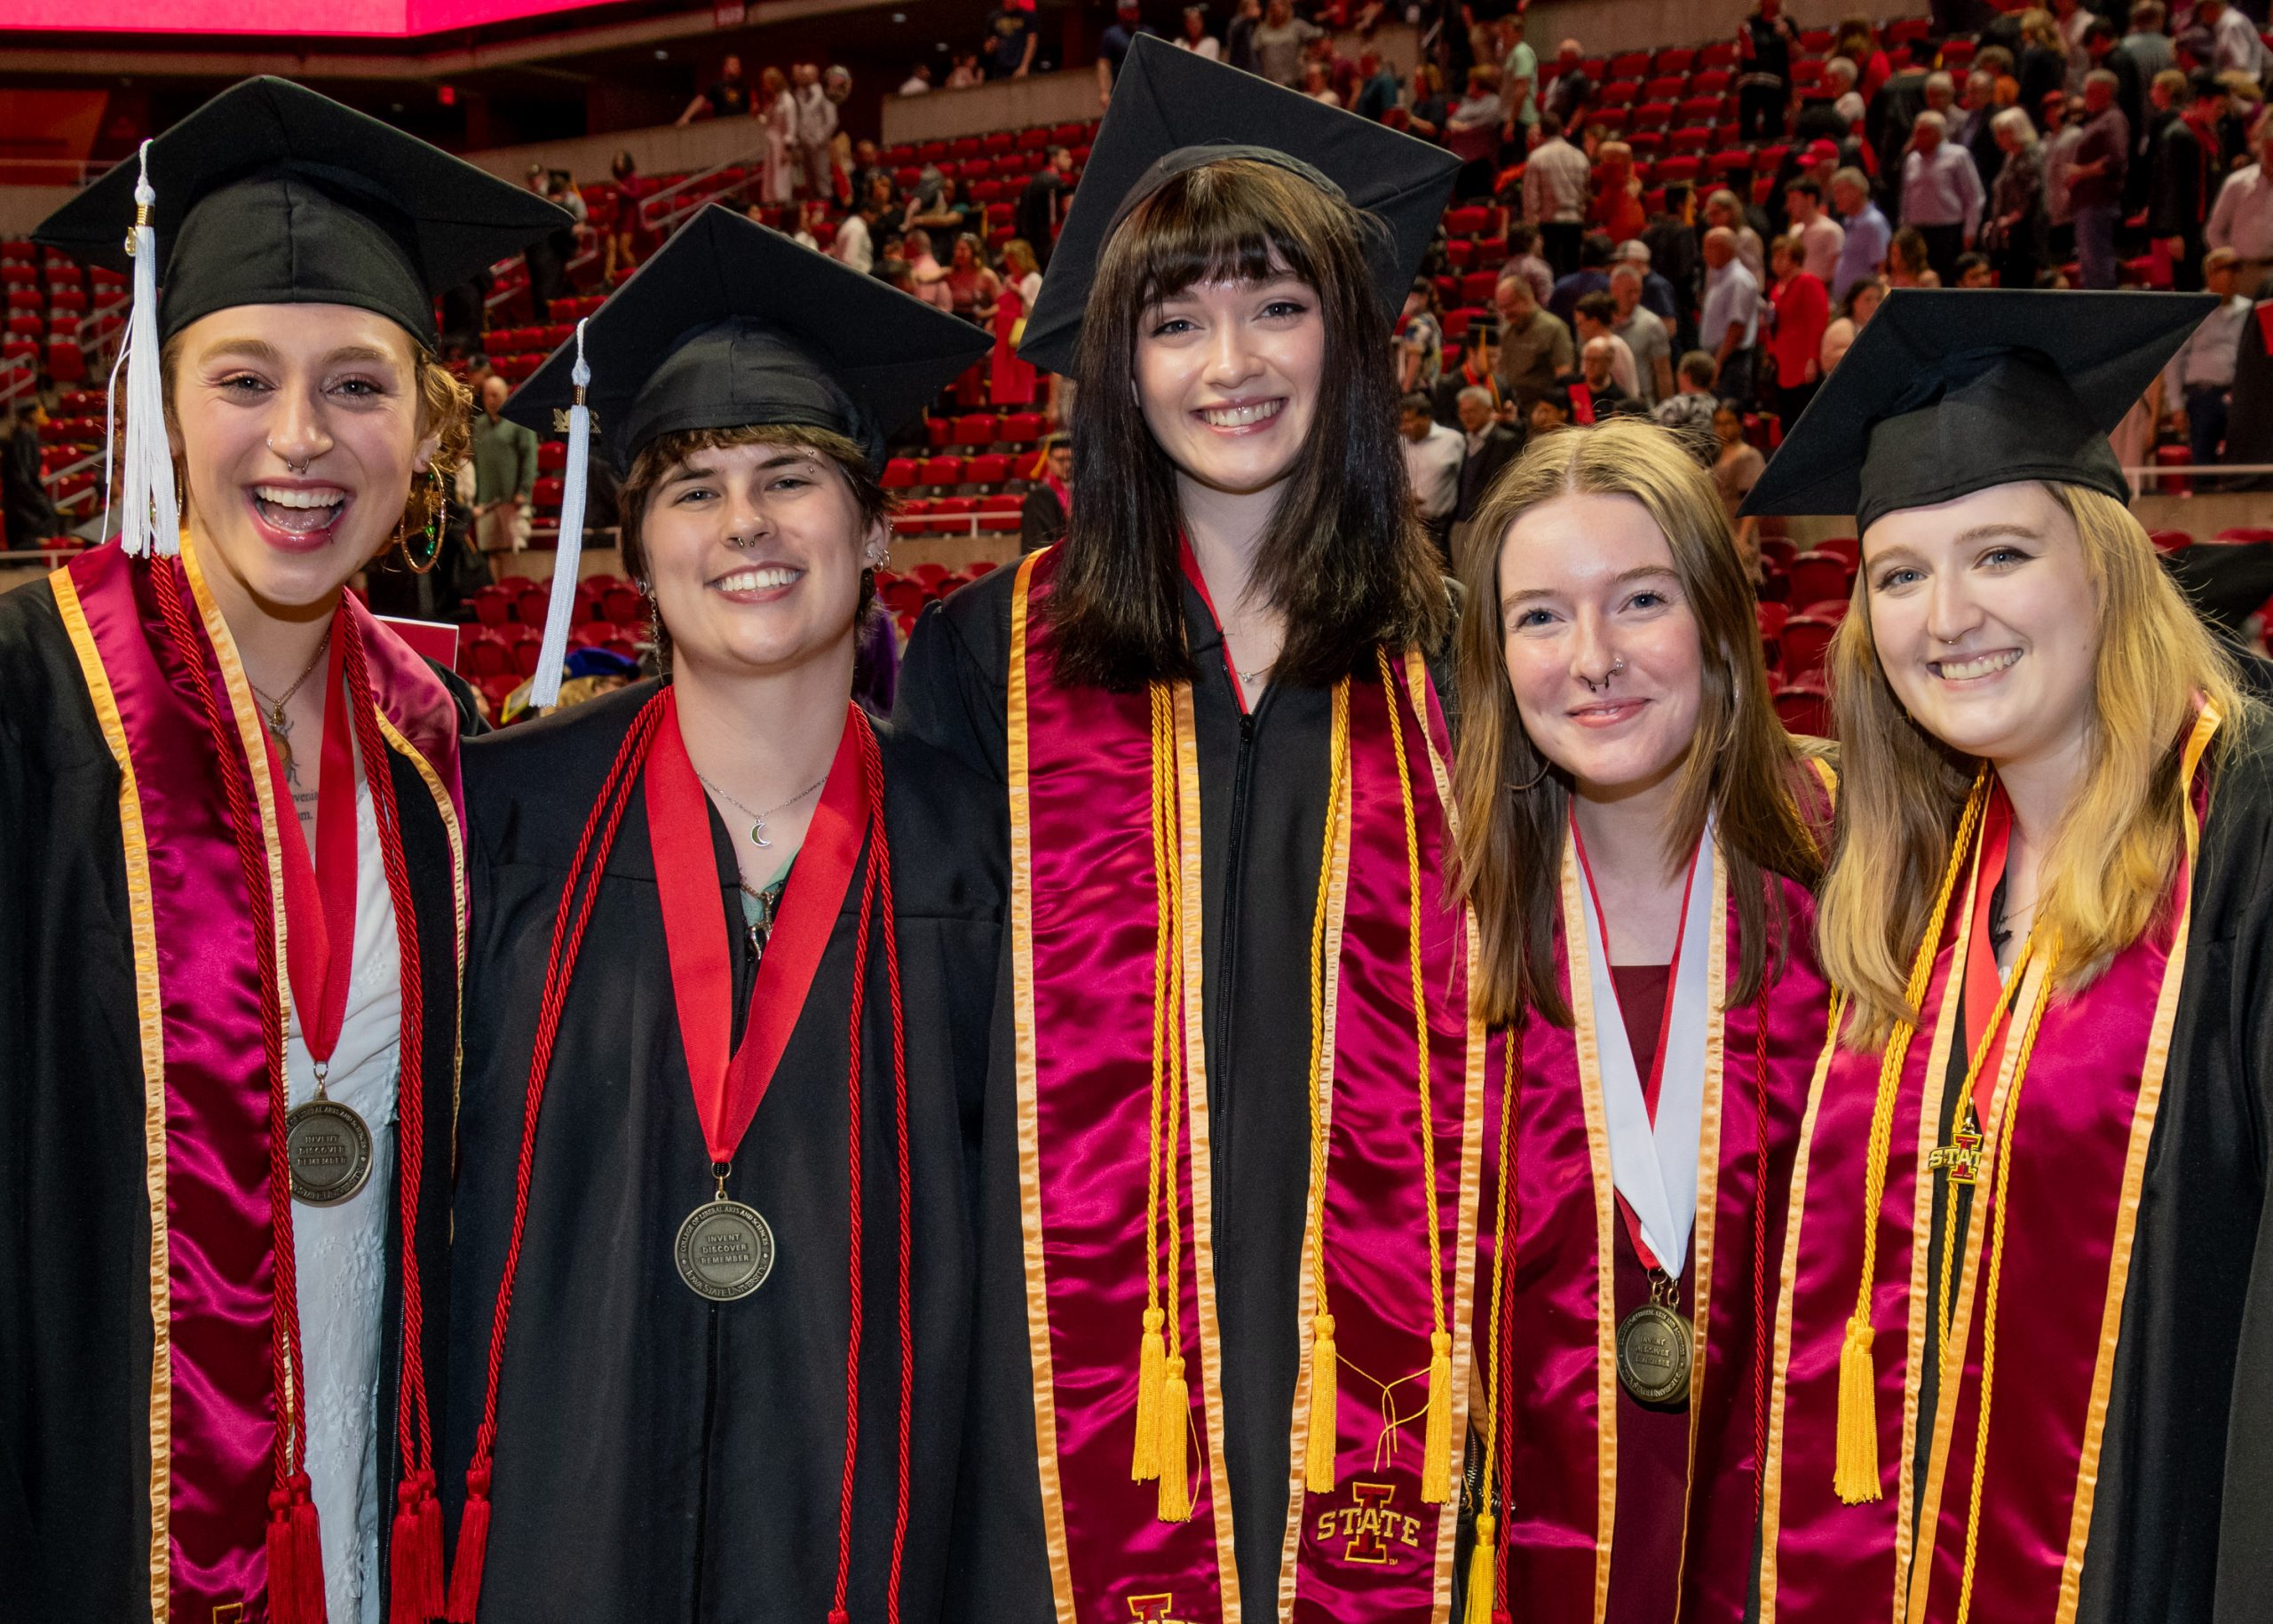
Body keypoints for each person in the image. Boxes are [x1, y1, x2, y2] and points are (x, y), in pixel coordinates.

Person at [896, 37, 1493, 1617]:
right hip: (1066, 1401)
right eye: (1177, 320)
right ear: (1121, 363)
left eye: (1278, 306)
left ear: (1352, 340)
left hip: (1386, 1369)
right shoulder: (991, 661)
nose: (1231, 360)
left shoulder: (1459, 658)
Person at [1, 77, 563, 1624]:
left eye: (360, 386)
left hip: (377, 1476)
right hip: (98, 1491)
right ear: (158, 404)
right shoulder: (33, 697)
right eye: (244, 378)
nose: (303, 440)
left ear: (427, 420)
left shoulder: (434, 734)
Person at [441, 206, 998, 1620]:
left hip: (871, 1531)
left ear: (873, 524)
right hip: (561, 1530)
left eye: (790, 477)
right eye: (692, 488)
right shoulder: (499, 819)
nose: (743, 522)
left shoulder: (980, 845)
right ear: (634, 550)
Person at [1744, 286, 2273, 1624]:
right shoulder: (1914, 878)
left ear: (2102, 559)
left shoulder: (2251, 833)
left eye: (2000, 554)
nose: (1947, 617)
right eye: (1900, 576)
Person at [1450, 417, 1832, 1623]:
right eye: (1541, 616)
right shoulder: (1428, 935)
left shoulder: (1866, 886)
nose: (1593, 657)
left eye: (1642, 599)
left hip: (1812, 1557)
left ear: (1721, 622)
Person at [2163, 248, 2253, 479]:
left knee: (2242, 458)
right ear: (2211, 275)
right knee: (2202, 461)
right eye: (2227, 270)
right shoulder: (2195, 310)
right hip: (2202, 396)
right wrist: (2176, 406)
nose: (2233, 277)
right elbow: (2175, 360)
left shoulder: (2248, 310)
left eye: (2236, 270)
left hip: (2238, 394)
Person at [1901, 111, 1984, 283]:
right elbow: (1906, 196)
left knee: (1946, 279)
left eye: (1923, 132)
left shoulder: (1958, 155)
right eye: (1916, 131)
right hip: (1917, 231)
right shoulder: (1912, 159)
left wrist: (1970, 229)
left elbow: (1974, 196)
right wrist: (1904, 227)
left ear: (1938, 133)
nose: (1917, 137)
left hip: (1948, 230)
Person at [471, 371, 539, 573]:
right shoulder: (478, 425)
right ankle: (498, 598)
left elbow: (530, 458)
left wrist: (524, 491)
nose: (491, 400)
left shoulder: (519, 422)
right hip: (486, 502)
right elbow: (473, 464)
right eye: (487, 395)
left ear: (506, 394)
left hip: (512, 501)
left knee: (514, 552)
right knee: (491, 552)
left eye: (495, 395)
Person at [2071, 67, 2130, 288]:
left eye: (2089, 92)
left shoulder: (2113, 119)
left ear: (2105, 91)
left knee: (2097, 263)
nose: (2085, 97)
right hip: (2088, 202)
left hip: (2099, 201)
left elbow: (2116, 159)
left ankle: (2103, 315)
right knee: (2089, 263)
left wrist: (2080, 172)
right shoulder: (2099, 119)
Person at [1763, 234, 1827, 425]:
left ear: (1795, 258)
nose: (1776, 262)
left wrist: (1812, 359)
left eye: (1782, 256)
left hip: (1801, 360)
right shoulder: (1777, 288)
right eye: (1774, 256)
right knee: (1786, 416)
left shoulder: (1808, 282)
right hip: (1783, 361)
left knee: (1802, 415)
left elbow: (1818, 321)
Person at [2206, 115, 2273, 294]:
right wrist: (2229, 262)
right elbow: (2214, 231)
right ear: (2263, 150)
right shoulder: (2237, 183)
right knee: (2243, 321)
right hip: (2243, 271)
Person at [1984, 107, 2047, 289]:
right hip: (2010, 234)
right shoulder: (2011, 157)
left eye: (2002, 133)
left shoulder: (2030, 157)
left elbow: (2030, 195)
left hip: (2025, 234)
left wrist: (2010, 219)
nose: (1998, 139)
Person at [1496, 270, 1578, 411]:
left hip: (1541, 413)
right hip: (1512, 412)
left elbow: (1564, 377)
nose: (1505, 313)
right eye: (1501, 307)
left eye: (1509, 305)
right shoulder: (1505, 330)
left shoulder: (1553, 328)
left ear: (1527, 299)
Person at [1526, 112, 1594, 275]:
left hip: (1550, 226)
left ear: (1542, 132)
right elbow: (1586, 194)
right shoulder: (1580, 157)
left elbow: (1531, 199)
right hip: (1575, 223)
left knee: (1554, 275)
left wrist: (1532, 231)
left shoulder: (1537, 157)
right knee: (1573, 274)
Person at [1700, 226, 1761, 406]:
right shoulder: (1721, 277)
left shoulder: (1738, 280)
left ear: (1725, 249)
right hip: (1720, 359)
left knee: (1727, 419)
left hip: (1731, 361)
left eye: (1709, 247)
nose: (1704, 254)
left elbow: (1736, 329)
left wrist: (1717, 363)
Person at [1453, 383, 1523, 521]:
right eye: (1462, 412)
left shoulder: (1507, 441)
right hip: (1461, 520)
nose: (1466, 417)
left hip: (1489, 521)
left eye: (1471, 411)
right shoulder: (1462, 440)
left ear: (1489, 410)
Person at [0, 393, 58, 551]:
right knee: (41, 519)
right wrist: (35, 497)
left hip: (18, 495)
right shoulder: (25, 436)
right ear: (30, 414)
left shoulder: (18, 435)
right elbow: (22, 472)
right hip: (23, 495)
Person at [1611, 264, 1675, 405]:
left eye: (1638, 292)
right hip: (1602, 405)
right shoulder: (1597, 320)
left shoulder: (1652, 324)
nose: (1634, 298)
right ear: (1613, 290)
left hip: (1640, 405)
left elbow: (1663, 373)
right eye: (1629, 292)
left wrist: (1667, 410)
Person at [1738, 0, 1801, 139]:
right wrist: (1740, 49)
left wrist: (1788, 36)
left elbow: (1799, 54)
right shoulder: (1750, 23)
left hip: (1776, 83)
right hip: (1750, 82)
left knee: (1773, 126)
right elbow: (1739, 53)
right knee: (1747, 127)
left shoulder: (1787, 22)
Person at [1829, 166, 1890, 304]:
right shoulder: (1849, 220)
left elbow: (1882, 269)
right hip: (1845, 302)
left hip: (1862, 306)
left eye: (1840, 192)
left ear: (1856, 191)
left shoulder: (1873, 223)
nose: (1836, 198)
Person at [1654, 351, 1723, 461]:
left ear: (1686, 374)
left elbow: (1655, 443)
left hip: (1677, 470)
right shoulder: (1720, 408)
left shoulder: (1672, 407)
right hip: (1713, 472)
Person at [1572, 291, 1641, 399]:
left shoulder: (1615, 346)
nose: (1579, 329)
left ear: (1594, 321)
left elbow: (1623, 388)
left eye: (1580, 323)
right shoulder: (1592, 346)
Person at [1785, 177, 1846, 287]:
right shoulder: (1795, 231)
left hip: (1821, 292)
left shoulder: (1831, 230)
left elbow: (1835, 271)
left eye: (1794, 199)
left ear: (1810, 199)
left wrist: (1810, 286)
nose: (1789, 206)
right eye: (1788, 200)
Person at [1818, 273, 1884, 374]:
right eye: (1868, 299)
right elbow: (1827, 361)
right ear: (1854, 302)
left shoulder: (1879, 328)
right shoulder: (1843, 326)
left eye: (1878, 299)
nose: (1874, 304)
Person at [1572, 335, 1646, 423]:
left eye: (1595, 360)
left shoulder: (1619, 399)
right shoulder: (1570, 384)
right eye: (1587, 359)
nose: (1590, 365)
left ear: (1609, 362)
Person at [1021, 432, 1073, 552]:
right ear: (1049, 460)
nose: (1067, 465)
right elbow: (1038, 541)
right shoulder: (1040, 496)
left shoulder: (1075, 492)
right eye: (1061, 460)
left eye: (1070, 459)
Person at [793, 64, 838, 202]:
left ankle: (826, 208)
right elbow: (798, 118)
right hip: (804, 143)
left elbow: (832, 121)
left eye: (807, 75)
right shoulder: (798, 94)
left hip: (819, 144)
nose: (803, 78)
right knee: (810, 182)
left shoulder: (825, 93)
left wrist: (819, 139)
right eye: (803, 75)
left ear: (815, 76)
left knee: (822, 178)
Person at [1252, 0, 1322, 88]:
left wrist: (1310, 55)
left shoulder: (1297, 26)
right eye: (1272, 6)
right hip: (1268, 82)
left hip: (1292, 82)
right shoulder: (1261, 30)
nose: (1275, 8)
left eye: (1280, 5)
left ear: (1287, 8)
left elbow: (1319, 35)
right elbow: (1253, 55)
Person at [1100, 0, 1158, 104]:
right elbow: (1103, 63)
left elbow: (1157, 62)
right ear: (1120, 12)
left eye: (1135, 9)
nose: (1134, 12)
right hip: (1121, 92)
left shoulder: (1149, 32)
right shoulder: (1111, 35)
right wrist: (1104, 92)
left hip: (1147, 92)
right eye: (1129, 10)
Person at [677, 51, 751, 125]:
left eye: (738, 65)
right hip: (722, 126)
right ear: (725, 68)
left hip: (742, 126)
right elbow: (700, 100)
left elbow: (752, 107)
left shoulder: (745, 87)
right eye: (733, 64)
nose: (736, 67)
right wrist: (686, 117)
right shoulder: (717, 86)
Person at [1400, 276, 1445, 393]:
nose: (1407, 300)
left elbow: (1415, 358)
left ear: (1424, 298)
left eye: (1411, 296)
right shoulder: (1431, 320)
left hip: (1418, 390)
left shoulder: (1417, 324)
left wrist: (1405, 390)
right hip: (1432, 387)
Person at [986, 0, 1040, 78]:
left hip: (1021, 67)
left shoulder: (1028, 15)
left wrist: (1024, 66)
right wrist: (991, 44)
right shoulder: (994, 17)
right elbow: (987, 49)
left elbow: (1032, 41)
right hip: (1001, 71)